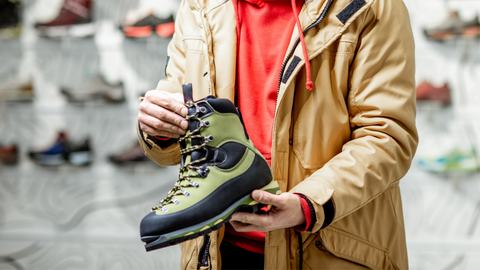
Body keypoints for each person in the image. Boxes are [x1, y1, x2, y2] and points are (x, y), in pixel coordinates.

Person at [137, 0, 418, 268]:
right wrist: (160, 128)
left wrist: (308, 203)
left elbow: (387, 135)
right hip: (217, 249)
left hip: (327, 247)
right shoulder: (202, 5)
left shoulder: (372, 6)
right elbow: (177, 122)